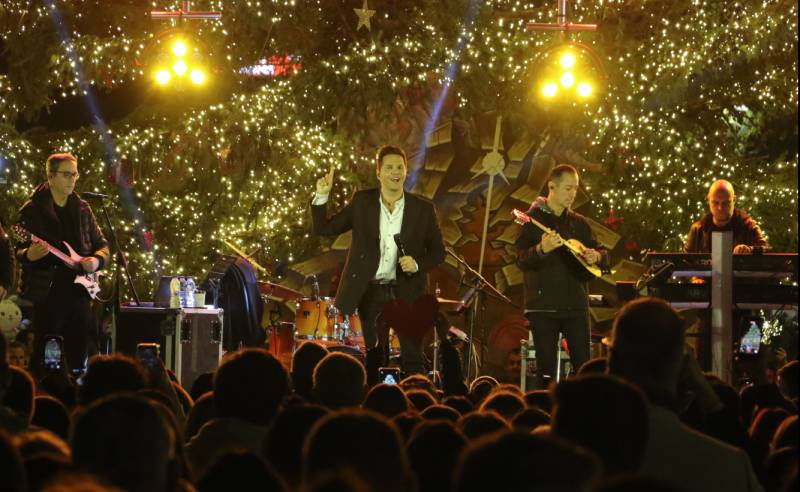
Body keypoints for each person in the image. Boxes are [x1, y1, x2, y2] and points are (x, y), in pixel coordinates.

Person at [311, 145, 445, 374]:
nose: (395, 172)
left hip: (408, 292)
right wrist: (322, 195)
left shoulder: (423, 209)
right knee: (373, 358)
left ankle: (415, 393)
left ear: (406, 171)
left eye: (400, 167)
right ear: (378, 172)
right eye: (389, 167)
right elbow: (325, 228)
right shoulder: (363, 202)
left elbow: (438, 252)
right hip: (370, 291)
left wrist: (417, 264)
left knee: (413, 359)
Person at [15, 153, 110, 375]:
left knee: (78, 354)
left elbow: (103, 245)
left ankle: (75, 387)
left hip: (80, 294)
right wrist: (29, 255)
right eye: (67, 174)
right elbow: (17, 252)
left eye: (75, 174)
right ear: (50, 176)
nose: (72, 179)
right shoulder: (32, 210)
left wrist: (95, 261)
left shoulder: (82, 208)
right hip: (48, 296)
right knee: (48, 355)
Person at [515, 164, 606, 388]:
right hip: (543, 306)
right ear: (551, 186)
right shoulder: (530, 220)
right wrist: (541, 249)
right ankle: (544, 406)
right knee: (545, 371)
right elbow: (521, 259)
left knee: (584, 368)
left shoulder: (578, 223)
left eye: (575, 188)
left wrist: (596, 256)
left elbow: (603, 252)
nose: (573, 194)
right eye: (568, 188)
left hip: (576, 305)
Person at [685, 179, 767, 253]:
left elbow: (767, 251)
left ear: (734, 200)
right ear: (708, 200)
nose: (720, 208)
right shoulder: (698, 230)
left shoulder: (748, 226)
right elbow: (685, 261)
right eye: (715, 203)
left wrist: (750, 250)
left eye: (725, 203)